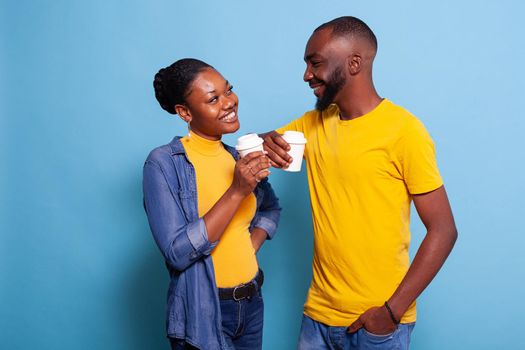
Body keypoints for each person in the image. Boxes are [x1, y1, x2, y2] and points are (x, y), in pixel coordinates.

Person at [262, 16, 457, 349]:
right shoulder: (313, 125)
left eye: (315, 63)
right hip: (317, 319)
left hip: (377, 325)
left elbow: (443, 230)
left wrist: (390, 313)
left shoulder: (404, 132)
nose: (306, 75)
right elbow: (252, 155)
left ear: (354, 63)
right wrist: (263, 139)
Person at [143, 58, 281, 350]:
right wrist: (236, 192)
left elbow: (270, 208)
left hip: (252, 303)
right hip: (204, 312)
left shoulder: (238, 157)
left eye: (228, 90)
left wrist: (250, 245)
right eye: (213, 99)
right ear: (184, 112)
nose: (229, 102)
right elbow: (177, 253)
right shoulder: (164, 163)